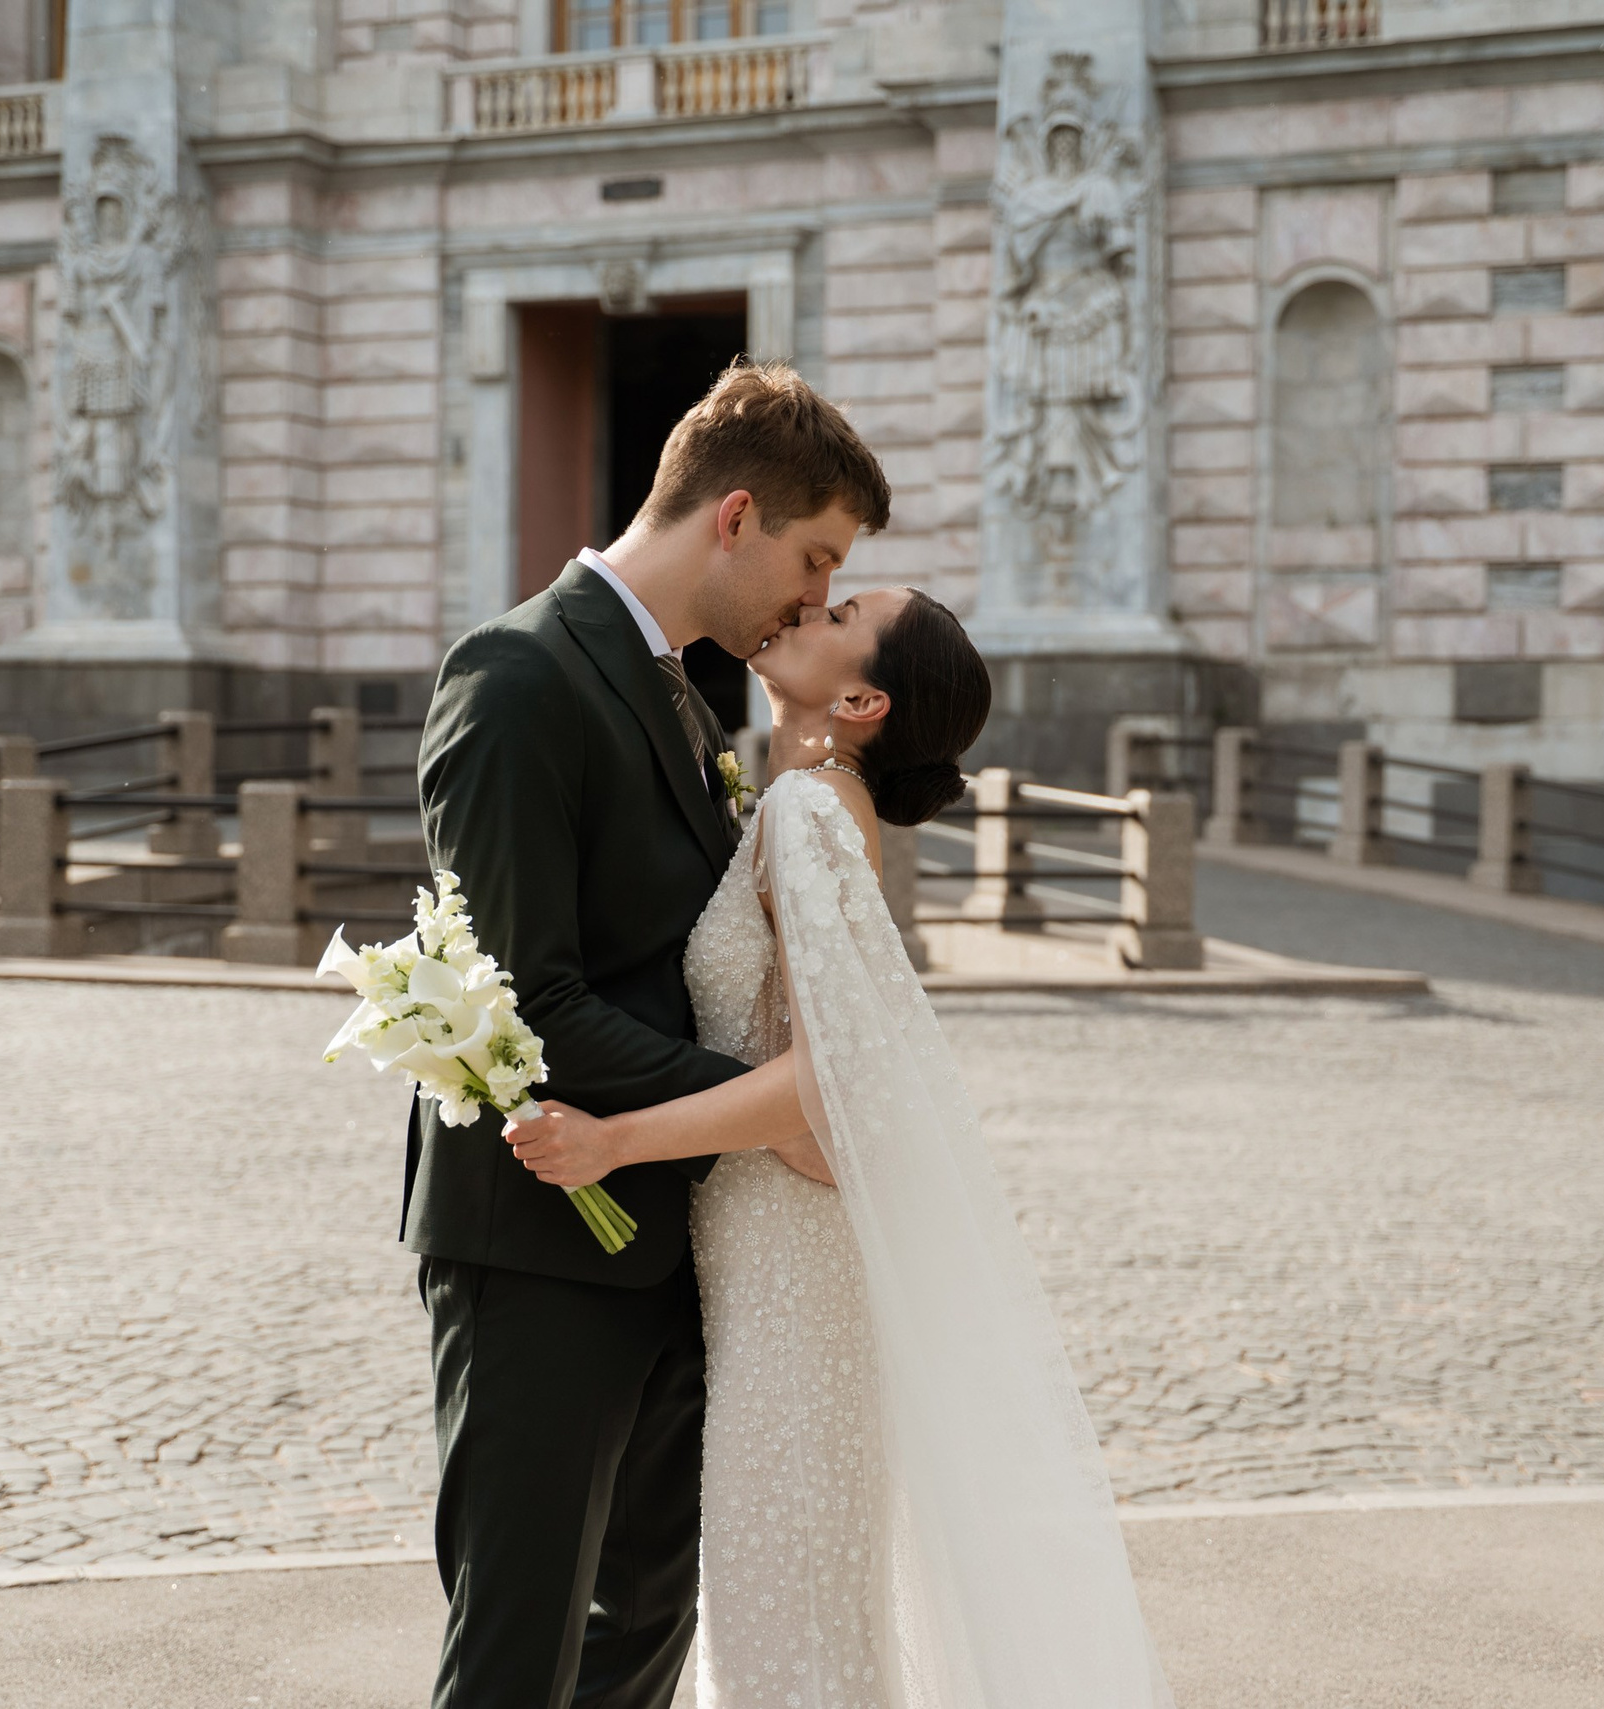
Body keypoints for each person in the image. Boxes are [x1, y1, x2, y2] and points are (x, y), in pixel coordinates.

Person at [504, 593, 1175, 1703]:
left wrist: (613, 1138)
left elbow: (832, 1075)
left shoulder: (812, 809)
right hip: (774, 1254)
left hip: (792, 1271)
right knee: (798, 1599)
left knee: (784, 1606)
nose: (810, 602)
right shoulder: (810, 801)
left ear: (862, 698)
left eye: (844, 608)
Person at [410, 360, 889, 1709]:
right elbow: (531, 999)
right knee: (518, 1656)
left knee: (644, 1640)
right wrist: (768, 1108)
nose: (813, 596)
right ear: (733, 515)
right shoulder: (516, 677)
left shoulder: (686, 700)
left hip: (668, 1250)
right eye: (813, 556)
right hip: (539, 1249)